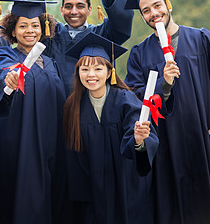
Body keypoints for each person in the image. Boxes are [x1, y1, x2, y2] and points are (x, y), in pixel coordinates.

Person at [124, 0, 210, 224]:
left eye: (157, 6)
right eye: (146, 11)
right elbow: (135, 96)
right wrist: (163, 84)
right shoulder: (140, 54)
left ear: (168, 4)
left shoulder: (201, 39)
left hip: (205, 138)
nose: (153, 14)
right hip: (167, 145)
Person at [63, 32, 158, 224]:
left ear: (109, 72)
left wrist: (138, 139)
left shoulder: (125, 99)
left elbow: (137, 133)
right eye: (84, 69)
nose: (91, 75)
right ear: (77, 72)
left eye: (98, 68)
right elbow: (73, 155)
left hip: (126, 186)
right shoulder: (73, 105)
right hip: (92, 190)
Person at [0, 0, 67, 224]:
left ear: (43, 27)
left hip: (51, 147)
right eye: (23, 26)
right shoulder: (6, 58)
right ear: (13, 30)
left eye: (35, 25)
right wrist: (9, 81)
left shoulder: (50, 63)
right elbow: (1, 76)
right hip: (20, 148)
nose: (30, 31)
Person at [23, 0, 134, 95]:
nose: (74, 11)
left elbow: (122, 19)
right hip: (53, 108)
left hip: (91, 111)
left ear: (90, 10)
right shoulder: (49, 34)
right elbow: (30, 13)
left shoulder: (103, 35)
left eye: (80, 6)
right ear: (62, 10)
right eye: (68, 6)